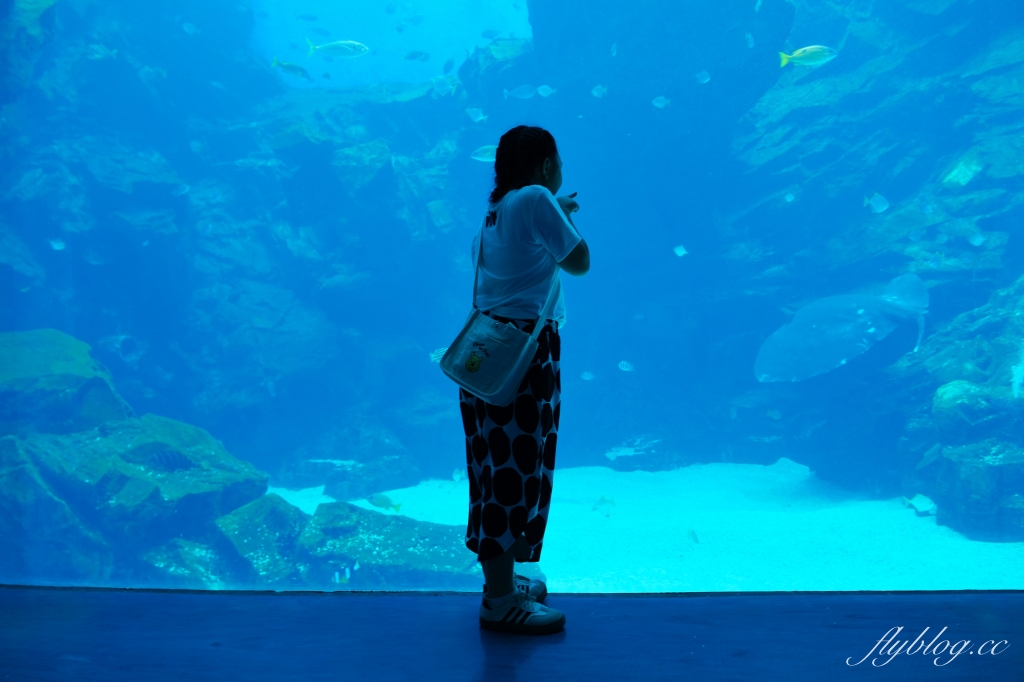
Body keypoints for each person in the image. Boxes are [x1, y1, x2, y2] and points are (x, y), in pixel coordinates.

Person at [460, 125, 590, 635]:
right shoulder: (536, 198)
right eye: (556, 161)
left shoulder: (494, 215)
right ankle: (498, 601)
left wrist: (556, 212)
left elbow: (522, 260)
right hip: (523, 354)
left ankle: (503, 580)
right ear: (544, 166)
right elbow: (579, 263)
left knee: (494, 468)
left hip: (486, 352)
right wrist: (556, 211)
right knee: (516, 469)